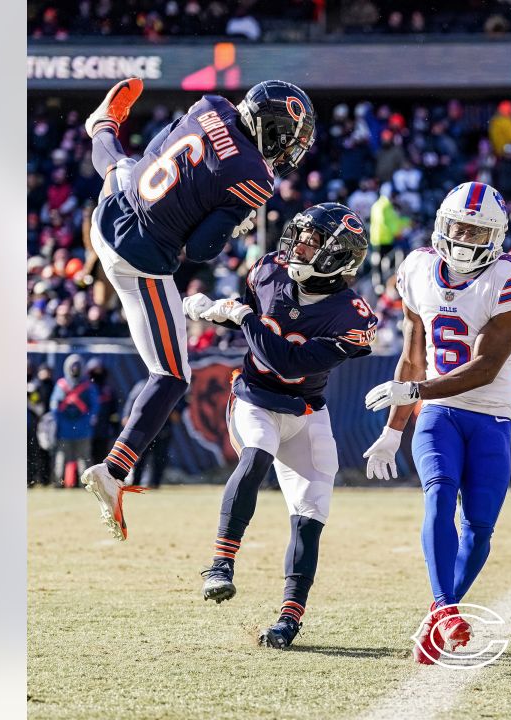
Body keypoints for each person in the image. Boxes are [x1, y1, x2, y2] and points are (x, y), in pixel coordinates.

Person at [79, 77, 317, 540]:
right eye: (288, 139)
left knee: (121, 167)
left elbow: (154, 152)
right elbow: (202, 249)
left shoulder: (211, 105)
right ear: (270, 128)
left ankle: (101, 125)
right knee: (171, 374)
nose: (289, 150)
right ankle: (113, 470)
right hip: (138, 259)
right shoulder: (255, 175)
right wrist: (234, 225)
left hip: (112, 211)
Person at [183, 203, 376, 650]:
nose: (299, 245)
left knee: (309, 517)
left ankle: (289, 617)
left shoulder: (353, 316)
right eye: (300, 234)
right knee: (256, 455)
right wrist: (215, 309)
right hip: (253, 398)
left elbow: (288, 361)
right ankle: (220, 563)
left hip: (306, 412)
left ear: (337, 255)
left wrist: (244, 318)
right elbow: (244, 310)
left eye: (312, 240)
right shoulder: (268, 270)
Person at [361, 181, 511, 664]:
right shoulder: (417, 268)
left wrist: (415, 392)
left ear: (497, 236)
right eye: (458, 227)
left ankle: (441, 614)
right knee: (438, 493)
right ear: (442, 224)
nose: (464, 238)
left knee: (479, 527)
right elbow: (413, 356)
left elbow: (485, 366)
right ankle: (444, 611)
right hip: (439, 414)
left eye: (476, 231)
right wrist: (393, 430)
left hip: (491, 415)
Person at [50, 354, 101, 488]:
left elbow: (94, 407)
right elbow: (55, 407)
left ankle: (86, 485)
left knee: (84, 459)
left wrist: (86, 421)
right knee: (62, 458)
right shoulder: (62, 385)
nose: (75, 369)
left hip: (82, 429)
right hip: (65, 429)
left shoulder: (88, 386)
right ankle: (58, 484)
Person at [369, 183, 411, 293]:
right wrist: (397, 231)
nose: (395, 197)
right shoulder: (381, 206)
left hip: (388, 239)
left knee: (388, 261)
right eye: (393, 194)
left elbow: (394, 221)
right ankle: (378, 285)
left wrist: (407, 222)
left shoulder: (388, 206)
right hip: (381, 239)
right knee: (378, 262)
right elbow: (383, 223)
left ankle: (388, 282)